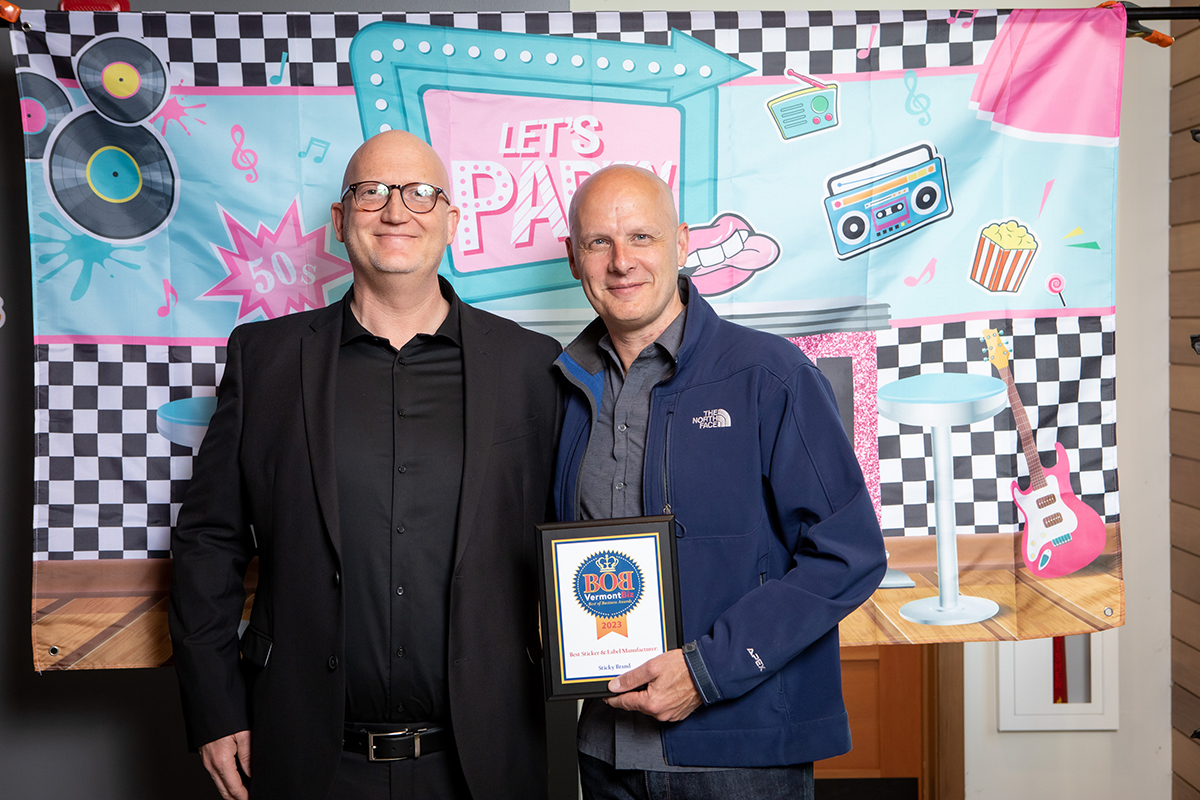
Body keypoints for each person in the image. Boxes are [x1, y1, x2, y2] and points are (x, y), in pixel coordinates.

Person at [169, 130, 561, 800]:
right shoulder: (264, 360)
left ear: (451, 222)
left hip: (484, 759)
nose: (396, 210)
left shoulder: (532, 366)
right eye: (372, 191)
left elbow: (578, 530)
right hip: (304, 758)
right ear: (340, 218)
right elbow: (209, 541)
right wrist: (215, 707)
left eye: (420, 193)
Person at [553, 165, 887, 799]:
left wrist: (707, 673)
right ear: (574, 258)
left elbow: (850, 554)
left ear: (681, 243)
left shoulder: (770, 374)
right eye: (599, 242)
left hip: (741, 758)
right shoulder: (563, 389)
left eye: (642, 237)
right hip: (605, 751)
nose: (622, 261)